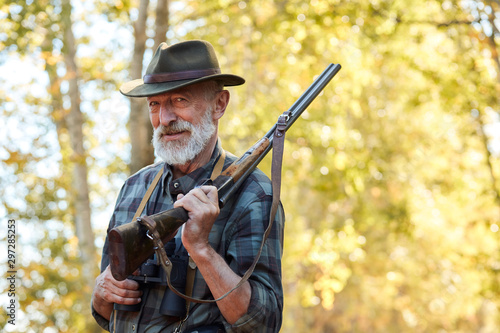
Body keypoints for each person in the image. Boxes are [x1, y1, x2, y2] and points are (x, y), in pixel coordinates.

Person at [91, 40, 284, 333]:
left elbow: (262, 323)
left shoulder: (254, 194)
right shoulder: (134, 187)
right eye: (155, 104)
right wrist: (101, 293)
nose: (165, 119)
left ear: (219, 104)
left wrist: (202, 250)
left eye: (179, 100)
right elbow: (105, 314)